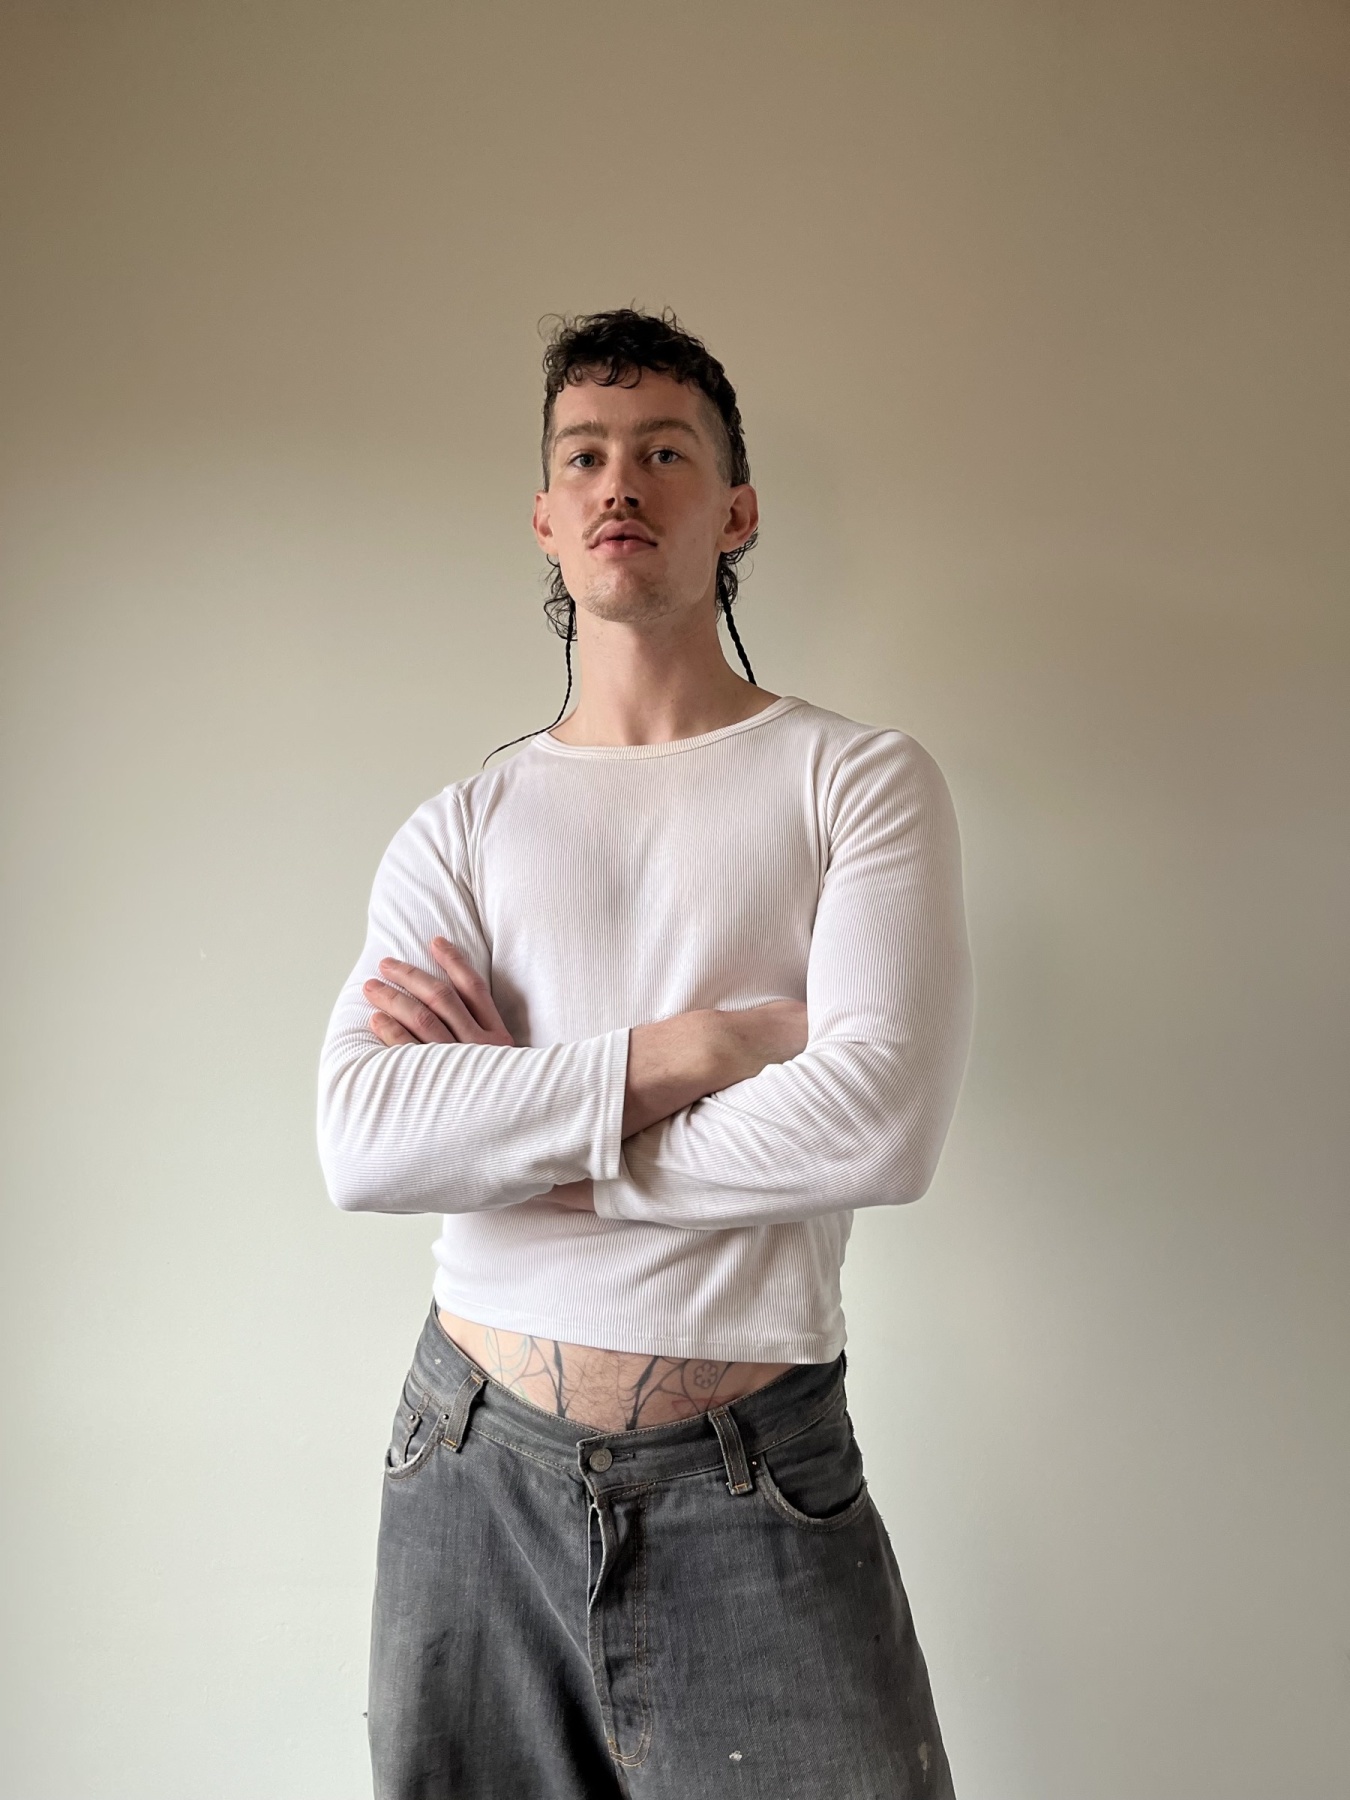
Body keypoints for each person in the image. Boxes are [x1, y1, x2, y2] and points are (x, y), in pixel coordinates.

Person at [317, 307, 974, 1799]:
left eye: (666, 452)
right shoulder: (462, 828)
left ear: (735, 512)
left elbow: (878, 1122)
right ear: (546, 521)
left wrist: (529, 1147)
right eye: (586, 456)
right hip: (468, 1474)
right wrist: (704, 1046)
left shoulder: (856, 781)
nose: (621, 481)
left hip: (754, 1480)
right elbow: (366, 1136)